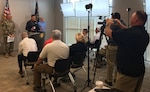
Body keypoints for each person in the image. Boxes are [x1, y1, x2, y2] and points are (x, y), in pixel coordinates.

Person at [105, 11, 149, 92]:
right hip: (139, 70)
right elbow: (129, 31)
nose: (130, 18)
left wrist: (108, 23)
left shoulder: (129, 34)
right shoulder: (144, 34)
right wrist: (120, 24)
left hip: (127, 73)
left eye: (132, 17)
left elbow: (108, 32)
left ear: (136, 20)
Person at [105, 12, 126, 86]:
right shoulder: (123, 24)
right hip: (121, 46)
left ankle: (109, 80)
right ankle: (116, 79)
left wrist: (107, 23)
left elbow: (107, 32)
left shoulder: (112, 25)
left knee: (110, 63)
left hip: (113, 46)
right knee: (118, 64)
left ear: (114, 18)